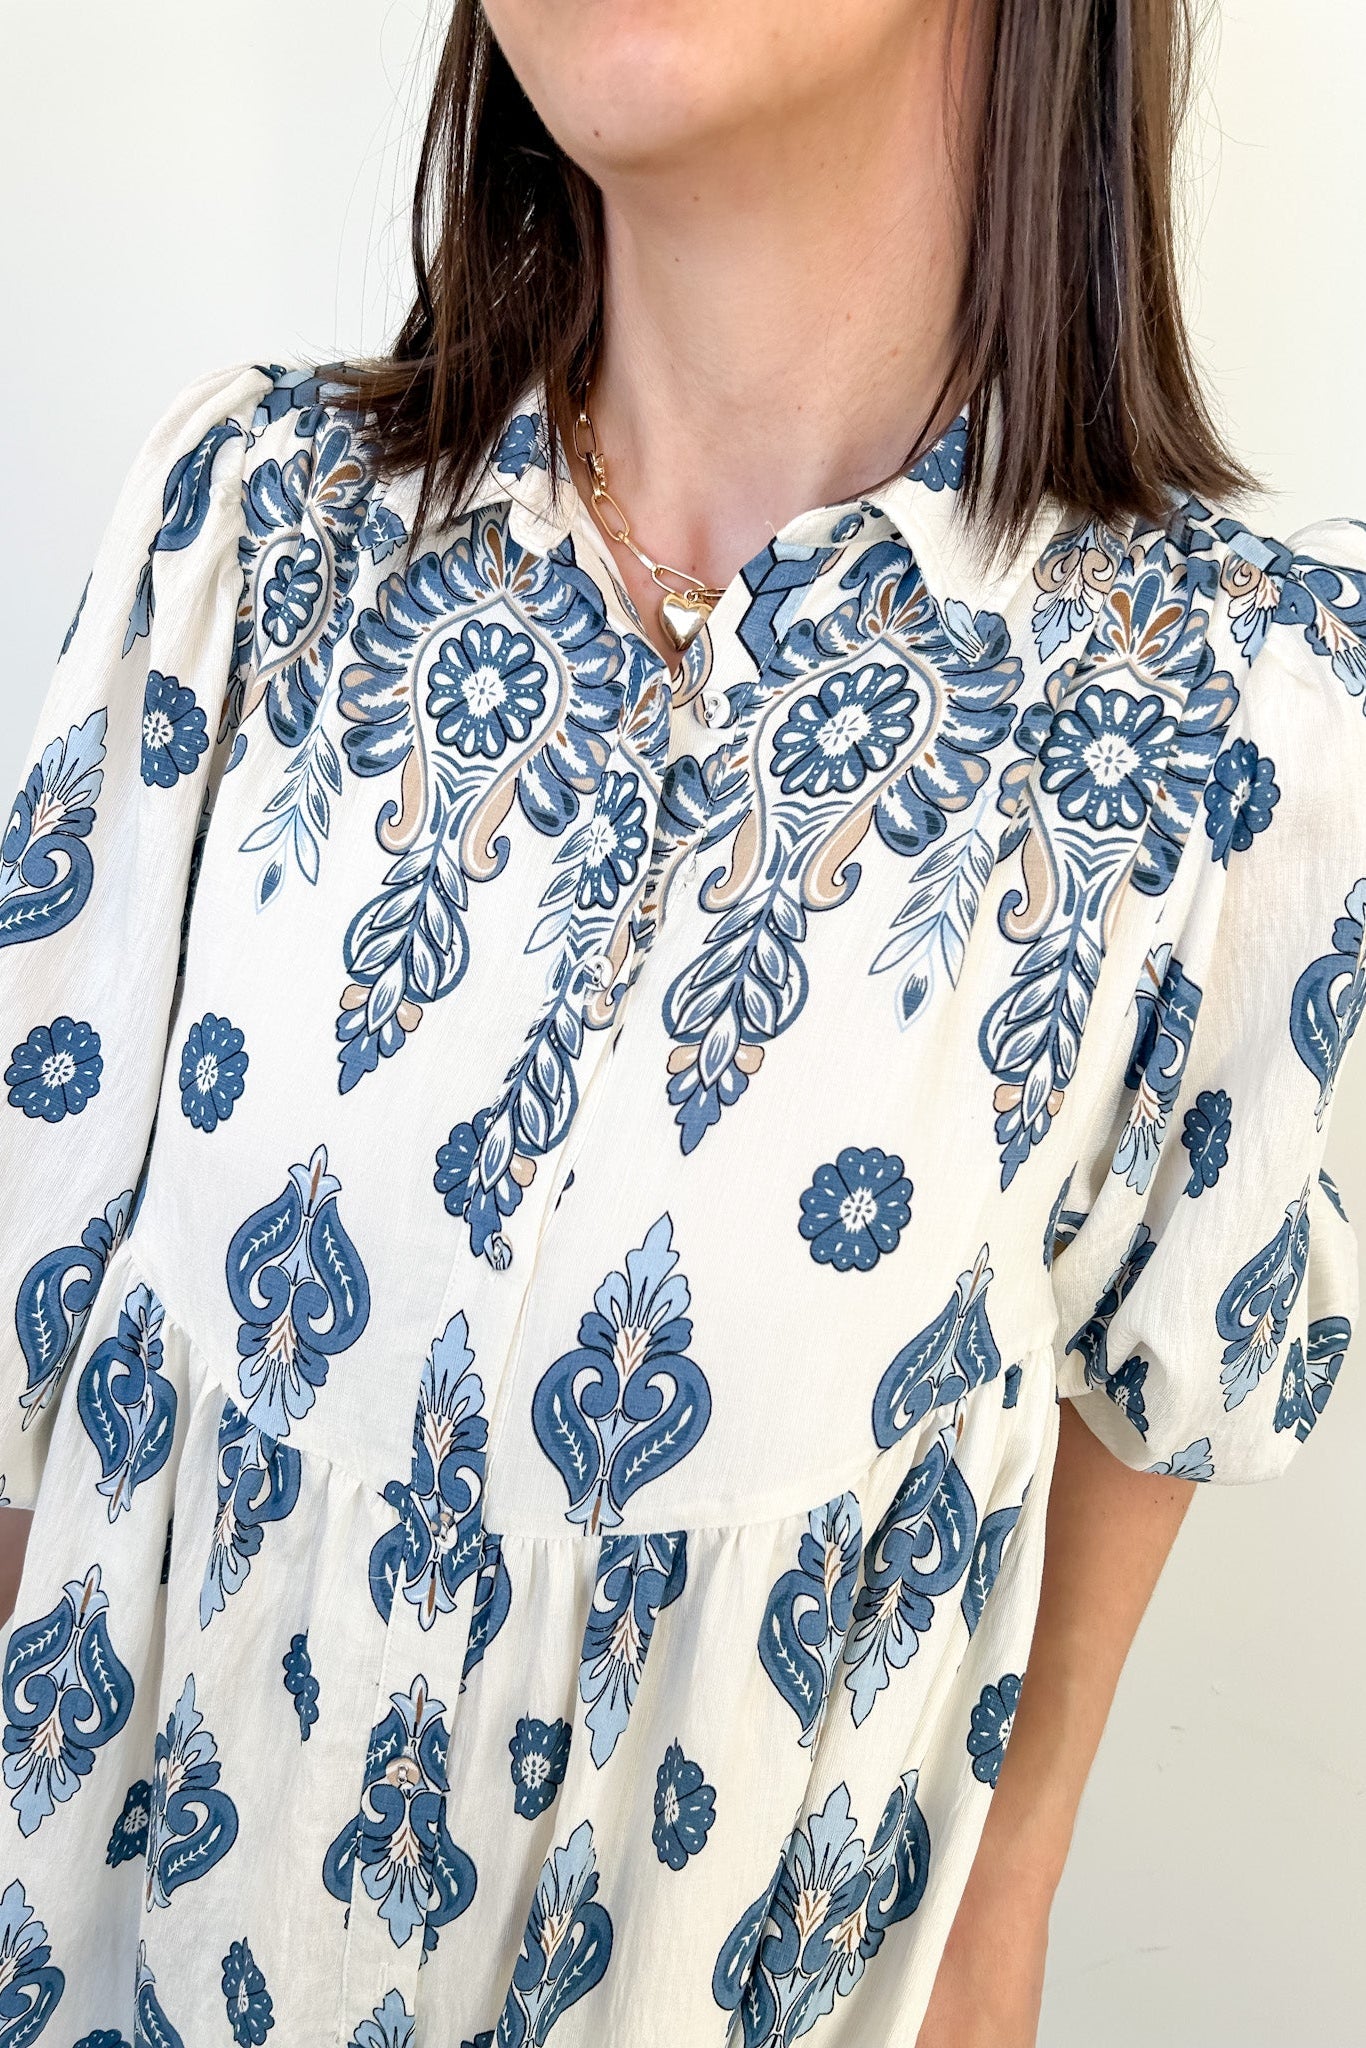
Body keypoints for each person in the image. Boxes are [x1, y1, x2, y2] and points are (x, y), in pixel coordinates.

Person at [1, 2, 1363, 2042]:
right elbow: (34, 1328)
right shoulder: (249, 535)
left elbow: (1159, 1373)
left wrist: (1006, 1904)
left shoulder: (1240, 717)